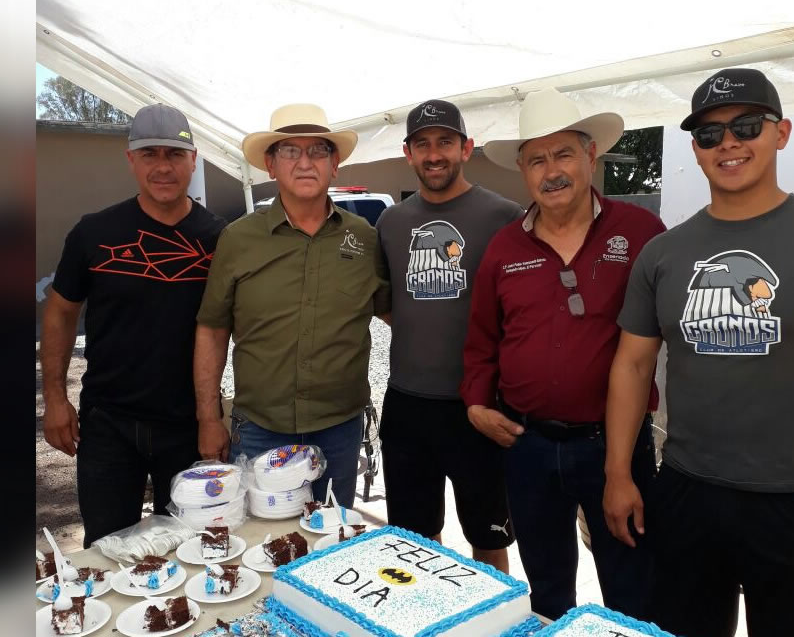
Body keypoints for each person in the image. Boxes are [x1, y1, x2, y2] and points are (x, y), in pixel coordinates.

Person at [604, 68, 794, 637]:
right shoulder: (664, 252)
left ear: (781, 132)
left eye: (746, 126)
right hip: (690, 488)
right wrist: (618, 472)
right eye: (709, 134)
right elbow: (632, 364)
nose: (729, 143)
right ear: (695, 149)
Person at [461, 87, 665, 620]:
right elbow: (482, 338)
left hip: (614, 445)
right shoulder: (505, 247)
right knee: (547, 588)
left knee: (631, 584)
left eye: (563, 154)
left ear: (591, 155)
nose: (551, 171)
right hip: (528, 445)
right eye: (537, 160)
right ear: (523, 173)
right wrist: (477, 404)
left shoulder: (641, 232)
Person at [41, 104, 227, 547]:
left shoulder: (219, 238)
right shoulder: (95, 232)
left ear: (193, 159)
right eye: (150, 154)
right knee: (107, 551)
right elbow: (60, 311)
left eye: (175, 154)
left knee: (194, 549)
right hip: (109, 422)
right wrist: (54, 398)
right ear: (130, 159)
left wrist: (214, 416)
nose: (163, 166)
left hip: (188, 424)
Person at [193, 104, 389, 507]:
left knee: (330, 546)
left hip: (339, 428)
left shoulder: (364, 238)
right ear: (270, 165)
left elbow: (397, 314)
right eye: (290, 152)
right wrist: (209, 418)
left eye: (318, 151)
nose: (305, 163)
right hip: (261, 427)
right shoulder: (238, 239)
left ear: (334, 165)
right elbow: (212, 329)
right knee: (259, 547)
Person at [375, 99, 522, 572]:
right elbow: (389, 304)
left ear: (466, 147)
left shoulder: (505, 216)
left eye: (445, 142)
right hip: (408, 404)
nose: (434, 154)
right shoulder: (391, 223)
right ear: (408, 153)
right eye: (423, 144)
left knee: (489, 536)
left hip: (479, 404)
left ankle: (500, 623)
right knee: (415, 541)